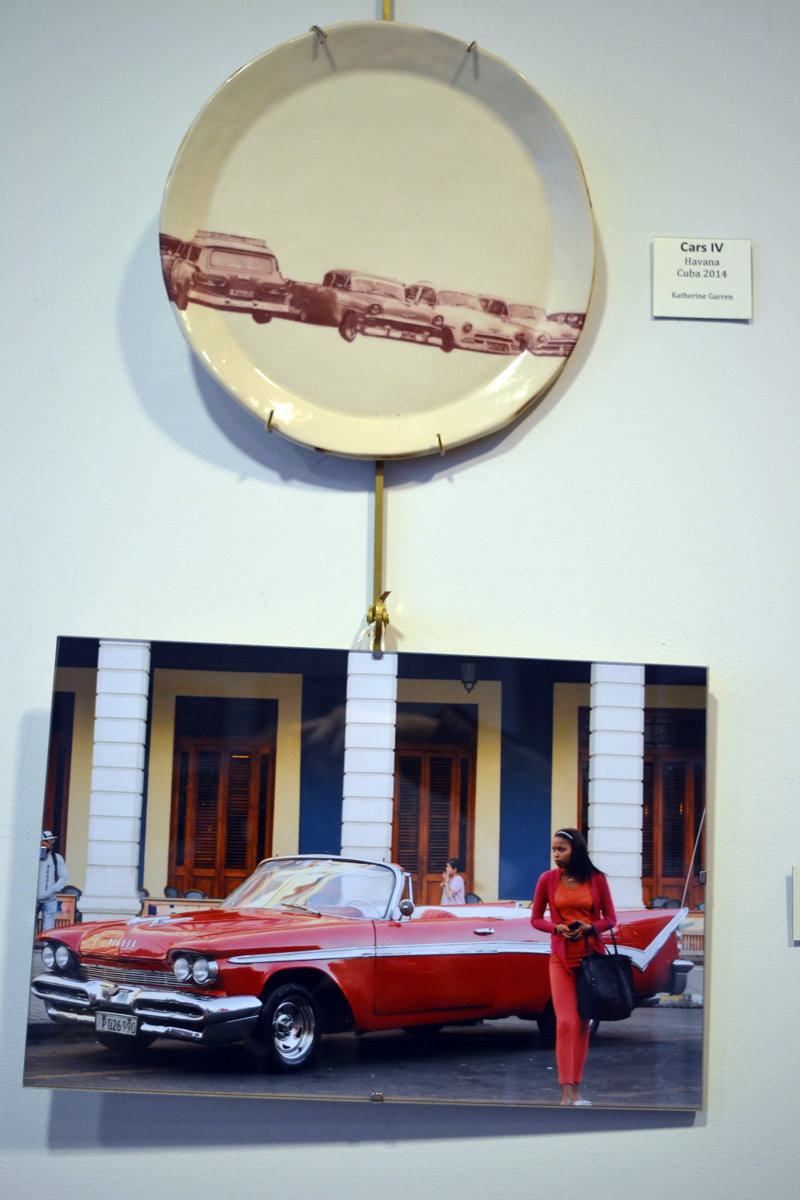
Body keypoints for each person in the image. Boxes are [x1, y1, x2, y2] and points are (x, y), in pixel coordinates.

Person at [531, 827, 616, 1106]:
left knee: (582, 1023)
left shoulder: (596, 880)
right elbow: (535, 919)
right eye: (553, 849)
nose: (556, 854)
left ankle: (576, 1093)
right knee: (565, 1022)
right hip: (561, 959)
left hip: (591, 960)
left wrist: (590, 927)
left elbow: (611, 919)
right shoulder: (547, 879)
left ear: (575, 850)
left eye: (561, 850)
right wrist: (556, 927)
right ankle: (565, 1094)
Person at [37, 830, 68, 932]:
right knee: (29, 927)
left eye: (52, 840)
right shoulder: (32, 857)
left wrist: (52, 890)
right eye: (48, 841)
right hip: (33, 900)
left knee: (49, 929)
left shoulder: (56, 858)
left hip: (50, 899)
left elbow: (63, 877)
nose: (51, 843)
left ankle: (47, 947)